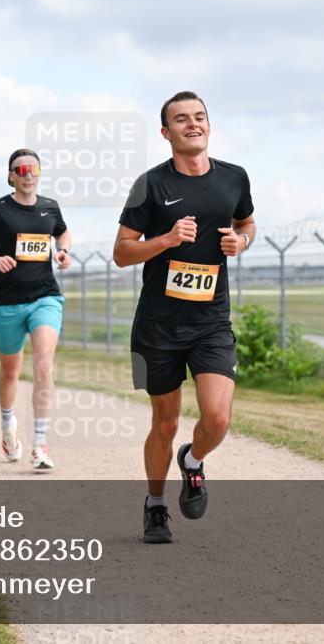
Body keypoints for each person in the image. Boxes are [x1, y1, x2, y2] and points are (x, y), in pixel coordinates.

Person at [113, 91, 256, 543]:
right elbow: (121, 253)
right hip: (157, 325)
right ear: (165, 132)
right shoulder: (150, 185)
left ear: (209, 126)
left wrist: (242, 241)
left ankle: (192, 461)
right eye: (180, 119)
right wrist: (167, 239)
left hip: (211, 322)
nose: (191, 124)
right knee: (165, 423)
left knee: (217, 419)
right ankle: (155, 506)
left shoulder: (235, 178)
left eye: (199, 117)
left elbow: (247, 223)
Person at [0, 148, 72, 470]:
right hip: (9, 302)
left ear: (39, 173)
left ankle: (40, 444)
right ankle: (8, 428)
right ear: (11, 175)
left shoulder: (50, 207)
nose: (27, 174)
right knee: (10, 371)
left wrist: (63, 252)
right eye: (20, 169)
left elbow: (62, 232)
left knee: (43, 364)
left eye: (32, 168)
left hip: (45, 298)